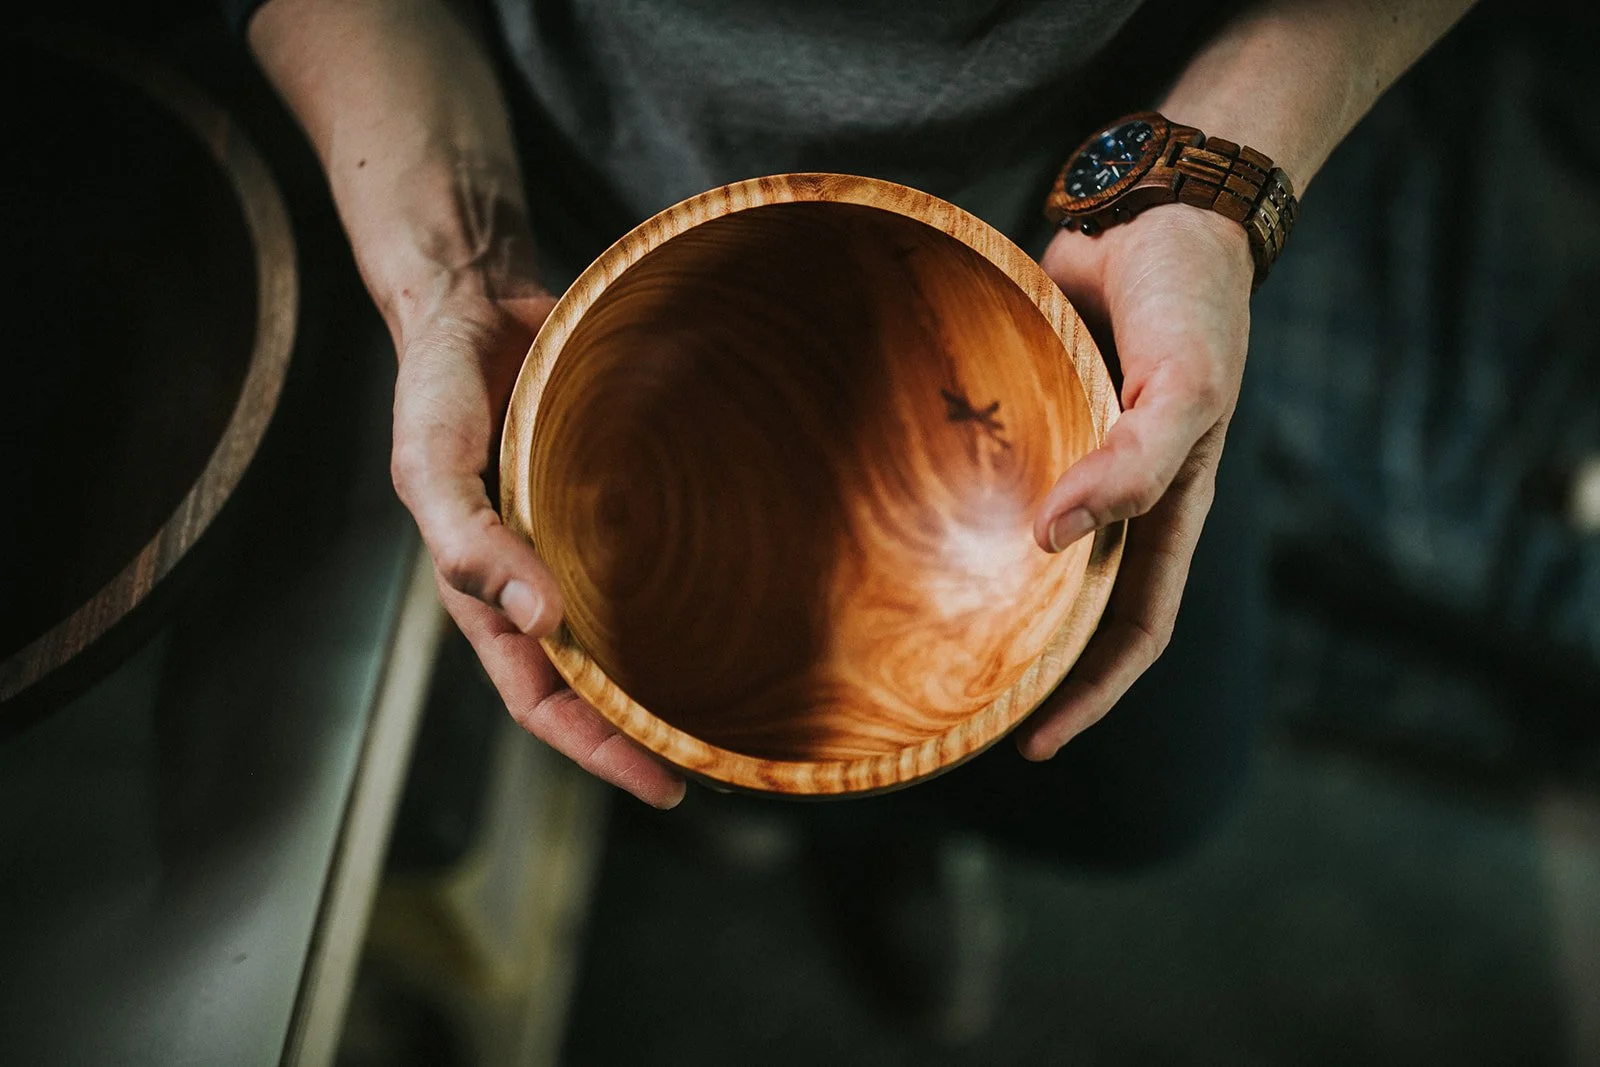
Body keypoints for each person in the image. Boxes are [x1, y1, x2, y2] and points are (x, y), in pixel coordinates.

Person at [237, 0, 1475, 852]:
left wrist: (1201, 190)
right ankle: (823, 824)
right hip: (563, 288)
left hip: (1085, 264)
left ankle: (879, 827)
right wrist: (452, 263)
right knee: (722, 731)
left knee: (1139, 795)